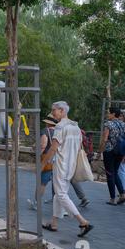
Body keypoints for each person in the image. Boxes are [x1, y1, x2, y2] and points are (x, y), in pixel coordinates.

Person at [41, 101, 93, 237]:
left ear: (62, 110)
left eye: (54, 110)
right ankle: (54, 223)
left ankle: (83, 222)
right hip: (71, 165)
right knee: (60, 194)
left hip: (61, 165)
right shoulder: (75, 127)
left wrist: (42, 164)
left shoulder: (60, 127)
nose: (53, 113)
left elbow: (53, 148)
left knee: (61, 194)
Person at [96, 107, 125, 206]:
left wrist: (99, 152)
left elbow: (105, 139)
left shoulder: (108, 124)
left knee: (110, 174)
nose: (107, 114)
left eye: (109, 113)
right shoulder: (123, 124)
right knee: (115, 172)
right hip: (120, 152)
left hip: (109, 152)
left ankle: (113, 198)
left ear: (114, 114)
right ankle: (122, 194)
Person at [28, 114, 57, 210]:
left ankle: (36, 203)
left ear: (47, 123)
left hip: (47, 160)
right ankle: (58, 204)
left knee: (42, 183)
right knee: (57, 183)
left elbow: (43, 145)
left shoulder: (45, 131)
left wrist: (38, 156)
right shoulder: (59, 132)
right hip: (58, 160)